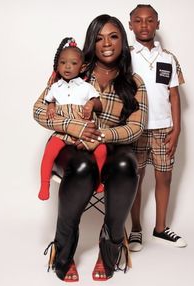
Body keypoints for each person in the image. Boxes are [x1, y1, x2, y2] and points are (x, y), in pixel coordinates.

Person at [33, 14, 148, 282]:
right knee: (82, 165)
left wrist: (103, 135)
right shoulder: (73, 69)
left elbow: (137, 126)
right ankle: (62, 251)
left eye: (113, 36)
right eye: (99, 37)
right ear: (91, 43)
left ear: (123, 40)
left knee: (124, 165)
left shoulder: (134, 82)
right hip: (72, 143)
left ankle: (110, 250)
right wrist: (70, 127)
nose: (106, 43)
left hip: (113, 144)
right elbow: (39, 109)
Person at [128, 4, 187, 252]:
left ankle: (160, 228)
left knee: (164, 176)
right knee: (135, 178)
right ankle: (136, 230)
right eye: (138, 21)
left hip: (163, 129)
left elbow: (174, 95)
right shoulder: (125, 56)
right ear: (130, 25)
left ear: (157, 24)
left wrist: (177, 129)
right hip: (136, 128)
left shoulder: (168, 58)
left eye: (149, 20)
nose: (144, 25)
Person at [38, 37, 106, 201]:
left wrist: (90, 104)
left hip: (85, 128)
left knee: (101, 150)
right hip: (64, 130)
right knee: (49, 152)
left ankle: (98, 180)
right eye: (63, 62)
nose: (67, 67)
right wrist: (52, 107)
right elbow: (48, 101)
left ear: (82, 67)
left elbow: (97, 102)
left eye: (73, 63)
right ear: (58, 65)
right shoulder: (55, 86)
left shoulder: (86, 86)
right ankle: (44, 184)